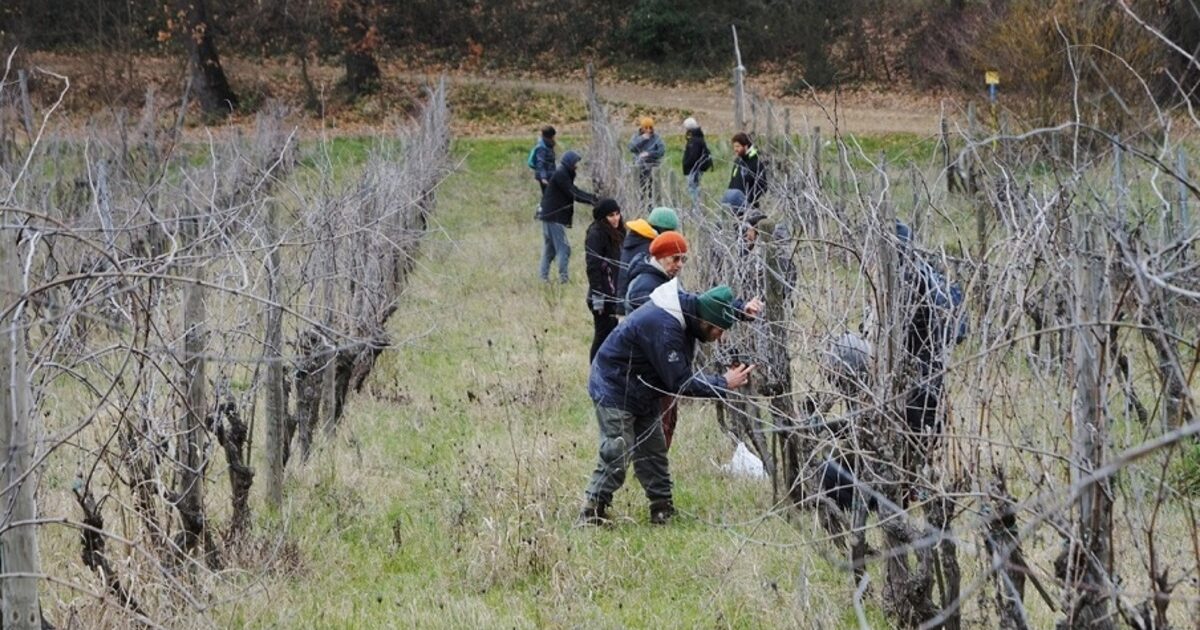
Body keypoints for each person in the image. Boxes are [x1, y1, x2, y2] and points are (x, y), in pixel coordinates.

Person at [579, 281, 763, 526]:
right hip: (614, 385)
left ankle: (662, 510)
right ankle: (591, 512)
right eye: (719, 330)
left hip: (642, 386)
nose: (720, 337)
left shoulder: (689, 309)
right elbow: (680, 382)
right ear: (706, 322)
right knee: (617, 451)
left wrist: (739, 310)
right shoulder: (666, 328)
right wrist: (723, 382)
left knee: (653, 452)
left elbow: (706, 301)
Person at [538, 151, 597, 283]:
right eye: (575, 162)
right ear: (570, 163)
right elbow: (573, 193)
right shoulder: (561, 174)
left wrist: (592, 198)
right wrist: (593, 200)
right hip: (554, 217)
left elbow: (573, 191)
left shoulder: (564, 173)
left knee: (550, 249)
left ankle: (542, 278)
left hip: (549, 215)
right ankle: (563, 279)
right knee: (564, 248)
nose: (577, 166)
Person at [585, 198, 625, 361]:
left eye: (617, 214)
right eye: (611, 215)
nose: (615, 218)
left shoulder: (619, 232)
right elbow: (593, 267)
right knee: (602, 336)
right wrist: (598, 298)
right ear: (603, 217)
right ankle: (595, 368)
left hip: (614, 294)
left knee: (612, 336)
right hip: (602, 296)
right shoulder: (596, 234)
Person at [616, 206, 678, 302]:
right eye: (669, 232)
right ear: (662, 230)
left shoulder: (636, 239)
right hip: (634, 301)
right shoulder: (650, 248)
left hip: (623, 298)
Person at [625, 231, 688, 314]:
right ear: (660, 257)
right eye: (675, 258)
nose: (680, 264)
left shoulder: (665, 277)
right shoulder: (644, 286)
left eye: (683, 259)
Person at [628, 116, 666, 208]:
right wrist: (642, 139)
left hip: (652, 168)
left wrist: (649, 154)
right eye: (646, 128)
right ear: (642, 128)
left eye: (650, 128)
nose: (648, 130)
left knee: (652, 191)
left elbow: (661, 151)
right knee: (639, 190)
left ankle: (651, 208)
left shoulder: (656, 138)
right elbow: (631, 148)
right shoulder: (636, 137)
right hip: (639, 169)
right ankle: (639, 208)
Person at [728, 132, 767, 209]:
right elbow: (733, 181)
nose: (735, 149)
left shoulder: (756, 162)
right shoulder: (737, 161)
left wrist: (749, 200)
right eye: (734, 147)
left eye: (738, 146)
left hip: (750, 208)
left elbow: (763, 186)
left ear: (745, 146)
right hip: (735, 207)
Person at [681, 117, 712, 203]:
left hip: (693, 169)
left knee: (693, 189)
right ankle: (696, 206)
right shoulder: (698, 138)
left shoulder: (694, 141)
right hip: (696, 169)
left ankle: (696, 207)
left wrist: (686, 163)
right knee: (694, 188)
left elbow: (693, 156)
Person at [528, 125, 556, 194]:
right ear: (550, 136)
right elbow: (540, 163)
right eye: (553, 136)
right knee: (548, 195)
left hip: (550, 174)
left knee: (551, 195)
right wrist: (543, 177)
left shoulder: (548, 144)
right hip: (545, 176)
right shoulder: (542, 148)